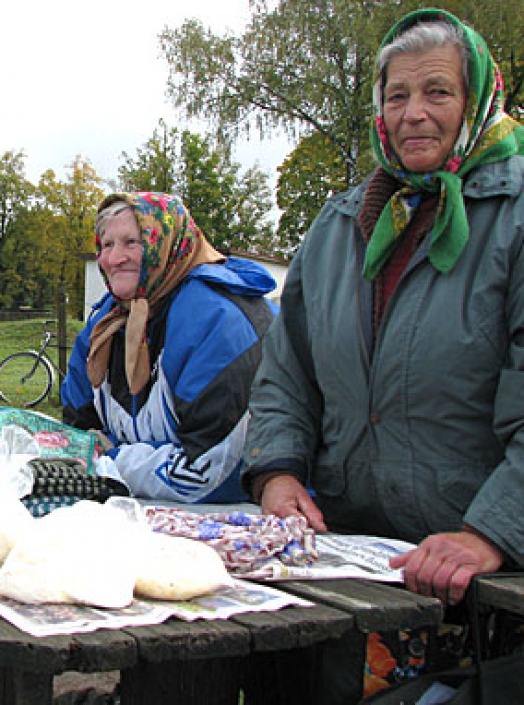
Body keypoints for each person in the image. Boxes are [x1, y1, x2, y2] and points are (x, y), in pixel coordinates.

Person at [241, 10, 524, 701]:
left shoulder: (514, 220)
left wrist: (488, 532)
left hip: (477, 592)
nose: (413, 114)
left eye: (438, 92)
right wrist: (277, 476)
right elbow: (287, 377)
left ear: (479, 99)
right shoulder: (341, 228)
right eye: (396, 95)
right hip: (345, 565)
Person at [61, 192, 275, 502]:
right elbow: (76, 434)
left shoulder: (218, 320)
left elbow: (209, 473)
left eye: (131, 242)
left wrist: (111, 461)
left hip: (240, 515)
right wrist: (94, 457)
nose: (113, 258)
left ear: (167, 244)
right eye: (107, 244)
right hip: (140, 510)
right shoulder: (103, 328)